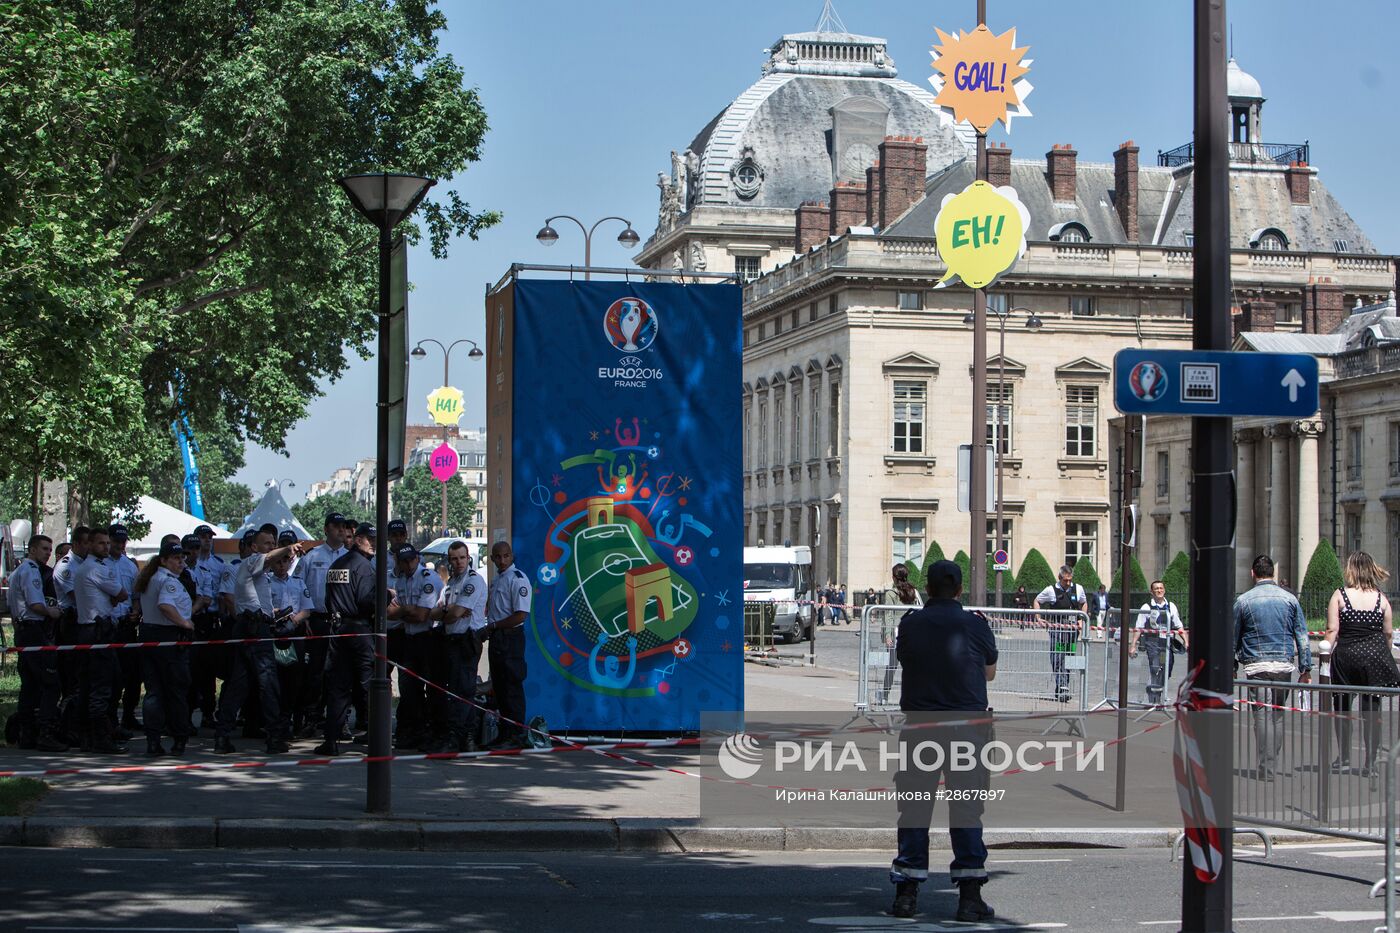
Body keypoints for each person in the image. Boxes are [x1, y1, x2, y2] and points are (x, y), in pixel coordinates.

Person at [889, 559, 997, 922]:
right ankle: (969, 898)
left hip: (921, 728)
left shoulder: (911, 623)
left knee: (915, 809)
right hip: (967, 728)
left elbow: (906, 660)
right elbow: (990, 672)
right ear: (960, 589)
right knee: (966, 809)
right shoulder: (976, 624)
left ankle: (906, 894)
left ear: (929, 589)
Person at [213, 523, 302, 754]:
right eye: (266, 543)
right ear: (254, 547)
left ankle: (222, 736)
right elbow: (269, 557)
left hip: (251, 626)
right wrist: (286, 549)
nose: (271, 547)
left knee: (238, 685)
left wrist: (272, 614)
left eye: (273, 543)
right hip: (254, 630)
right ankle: (274, 737)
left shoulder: (261, 572)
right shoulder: (252, 561)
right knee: (268, 683)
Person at [1233, 554, 1311, 780]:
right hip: (1283, 665)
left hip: (1256, 665)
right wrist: (1305, 668)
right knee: (1277, 714)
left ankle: (1266, 765)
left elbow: (1233, 636)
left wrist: (1231, 665)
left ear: (1252, 573)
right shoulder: (1290, 599)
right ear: (1273, 574)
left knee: (1262, 714)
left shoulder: (1244, 600)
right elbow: (1302, 636)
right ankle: (1271, 760)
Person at [1323, 550, 1399, 776]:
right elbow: (1387, 634)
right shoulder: (1381, 598)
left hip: (1346, 656)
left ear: (1350, 570)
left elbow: (1332, 630)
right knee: (1372, 712)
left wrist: (1324, 659)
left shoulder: (1340, 595)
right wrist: (1383, 653)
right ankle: (1371, 762)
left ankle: (1344, 756)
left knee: (1343, 709)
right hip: (1373, 657)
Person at [317, 522, 378, 757]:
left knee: (338, 687)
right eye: (369, 539)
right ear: (358, 539)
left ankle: (331, 740)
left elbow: (327, 597)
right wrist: (385, 596)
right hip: (358, 630)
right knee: (368, 685)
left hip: (337, 629)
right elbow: (365, 601)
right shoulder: (363, 567)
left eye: (375, 540)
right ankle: (377, 738)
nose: (373, 544)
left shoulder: (337, 564)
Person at [7, 535, 68, 751]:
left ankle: (27, 733)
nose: (48, 553)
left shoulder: (17, 573)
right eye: (44, 548)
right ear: (32, 549)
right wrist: (52, 612)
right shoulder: (31, 571)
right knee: (51, 684)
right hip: (34, 630)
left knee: (30, 686)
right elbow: (35, 603)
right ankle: (45, 733)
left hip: (24, 630)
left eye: (50, 549)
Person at [72, 526, 129, 753]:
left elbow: (116, 597)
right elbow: (122, 595)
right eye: (101, 543)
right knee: (102, 688)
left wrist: (112, 597)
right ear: (90, 545)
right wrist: (113, 597)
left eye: (107, 543)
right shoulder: (97, 569)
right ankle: (101, 738)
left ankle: (86, 735)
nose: (106, 547)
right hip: (97, 631)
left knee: (89, 686)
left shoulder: (87, 568)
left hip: (89, 629)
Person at [135, 540, 195, 756]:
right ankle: (179, 739)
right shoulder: (168, 582)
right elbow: (165, 605)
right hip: (168, 638)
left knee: (154, 691)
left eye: (183, 558)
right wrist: (185, 623)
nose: (181, 562)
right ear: (164, 560)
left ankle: (153, 741)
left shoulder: (152, 578)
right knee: (175, 691)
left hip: (150, 635)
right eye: (176, 559)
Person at [293, 513, 348, 738]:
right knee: (315, 673)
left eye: (343, 527)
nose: (340, 531)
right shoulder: (312, 556)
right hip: (317, 621)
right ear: (326, 529)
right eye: (335, 527)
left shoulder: (350, 558)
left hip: (343, 623)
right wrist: (303, 618)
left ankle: (338, 721)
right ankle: (311, 718)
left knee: (341, 675)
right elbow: (297, 586)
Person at [430, 541, 487, 752]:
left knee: (463, 691)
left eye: (462, 557)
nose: (459, 562)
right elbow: (434, 613)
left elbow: (452, 614)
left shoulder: (474, 581)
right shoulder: (451, 583)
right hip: (450, 641)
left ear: (468, 558)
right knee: (454, 691)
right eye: (455, 558)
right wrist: (451, 610)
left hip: (466, 641)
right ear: (449, 560)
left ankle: (460, 737)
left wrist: (450, 611)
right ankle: (463, 737)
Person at [388, 543, 444, 750]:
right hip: (408, 639)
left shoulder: (428, 578)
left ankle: (431, 732)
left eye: (412, 559)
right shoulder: (401, 580)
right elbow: (389, 613)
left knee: (431, 687)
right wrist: (407, 610)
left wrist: (403, 610)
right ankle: (414, 731)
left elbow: (422, 615)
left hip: (427, 639)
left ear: (417, 558)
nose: (409, 564)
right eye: (404, 561)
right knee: (409, 689)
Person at [482, 541, 532, 748]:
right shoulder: (497, 580)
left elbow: (520, 615)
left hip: (510, 637)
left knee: (512, 686)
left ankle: (516, 735)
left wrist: (493, 626)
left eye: (506, 556)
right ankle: (504, 734)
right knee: (500, 687)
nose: (502, 561)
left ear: (511, 556)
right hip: (497, 638)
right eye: (498, 557)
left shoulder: (518, 579)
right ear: (492, 559)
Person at [1129, 581, 1189, 705]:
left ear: (1164, 590)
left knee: (1166, 669)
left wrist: (1186, 641)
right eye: (1156, 589)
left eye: (1161, 588)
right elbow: (1139, 627)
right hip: (1153, 643)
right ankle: (1154, 700)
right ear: (1151, 592)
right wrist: (1133, 645)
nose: (1159, 590)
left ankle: (1155, 691)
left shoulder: (1171, 606)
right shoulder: (1146, 607)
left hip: (1167, 644)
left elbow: (1178, 626)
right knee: (1156, 668)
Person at [107, 524, 143, 734]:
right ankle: (111, 718)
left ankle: (129, 715)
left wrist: (136, 611)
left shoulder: (130, 566)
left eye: (123, 541)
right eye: (116, 541)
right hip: (110, 625)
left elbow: (136, 594)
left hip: (128, 624)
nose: (120, 545)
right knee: (113, 677)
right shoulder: (102, 565)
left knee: (133, 675)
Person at [1036, 565, 1086, 703]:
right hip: (1057, 630)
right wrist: (1038, 618)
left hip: (1072, 630)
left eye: (1070, 580)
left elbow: (1083, 603)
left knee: (1069, 657)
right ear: (1059, 578)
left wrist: (1081, 618)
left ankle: (1063, 687)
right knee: (1058, 657)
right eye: (1065, 580)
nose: (1068, 583)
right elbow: (1037, 601)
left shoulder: (1078, 588)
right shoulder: (1051, 590)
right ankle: (1062, 687)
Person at [875, 564, 921, 706]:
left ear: (894, 577)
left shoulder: (891, 594)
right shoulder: (914, 592)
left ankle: (885, 695)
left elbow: (889, 615)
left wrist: (887, 635)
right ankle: (913, 696)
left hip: (896, 633)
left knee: (891, 666)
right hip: (912, 633)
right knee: (912, 667)